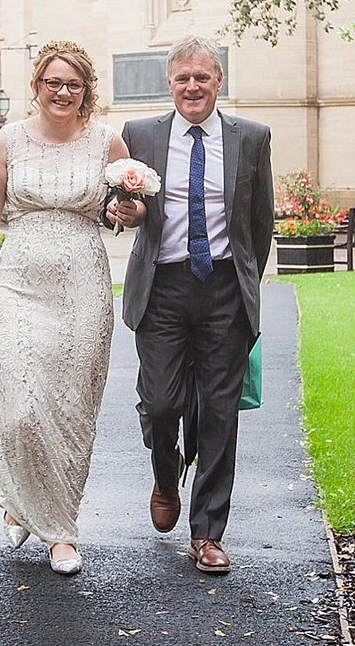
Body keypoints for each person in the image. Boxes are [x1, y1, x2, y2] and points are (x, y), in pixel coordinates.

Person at [0, 40, 128, 576]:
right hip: (20, 285)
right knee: (23, 409)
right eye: (53, 82)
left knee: (73, 412)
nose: (62, 92)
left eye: (72, 84)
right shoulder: (7, 142)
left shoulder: (107, 142)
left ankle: (61, 533)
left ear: (86, 91)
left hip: (84, 285)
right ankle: (21, 498)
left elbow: (127, 212)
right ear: (37, 86)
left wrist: (128, 206)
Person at [107, 37, 274, 574]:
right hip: (162, 288)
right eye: (183, 78)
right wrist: (124, 211)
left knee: (219, 414)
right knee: (159, 405)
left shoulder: (251, 137)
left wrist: (244, 281)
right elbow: (124, 206)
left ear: (219, 81)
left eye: (203, 77)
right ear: (170, 84)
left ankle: (207, 533)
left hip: (224, 288)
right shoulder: (140, 136)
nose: (193, 87)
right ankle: (165, 471)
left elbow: (260, 222)